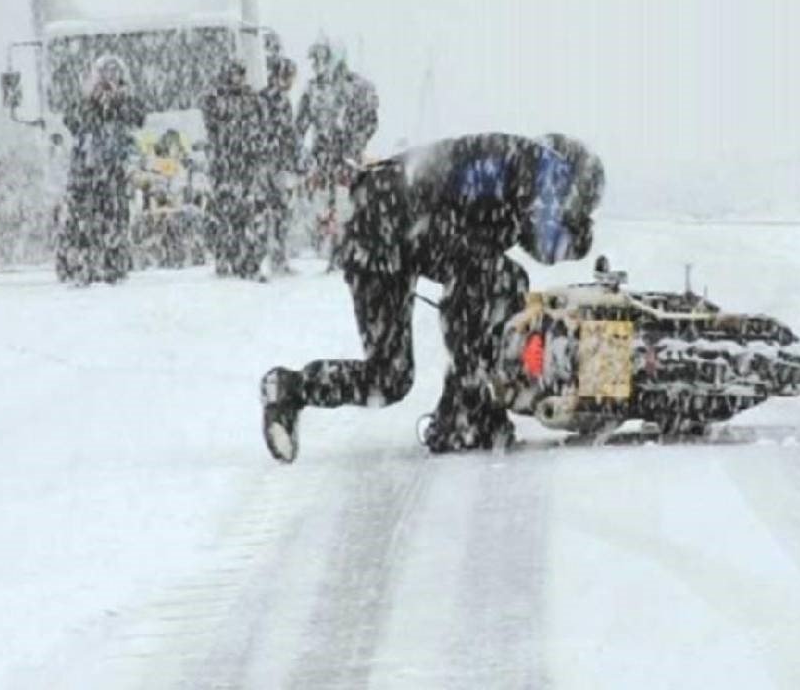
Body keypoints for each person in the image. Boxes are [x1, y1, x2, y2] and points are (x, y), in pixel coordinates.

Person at [258, 133, 605, 461]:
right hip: (397, 225)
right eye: (576, 205)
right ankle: (466, 410)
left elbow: (526, 235)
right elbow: (547, 244)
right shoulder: (542, 162)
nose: (568, 210)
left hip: (377, 232)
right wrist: (581, 237)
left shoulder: (510, 166)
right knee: (495, 280)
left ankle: (290, 388)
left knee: (388, 378)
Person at [294, 38, 380, 267]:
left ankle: (346, 248)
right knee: (322, 205)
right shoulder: (312, 89)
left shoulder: (358, 86)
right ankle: (331, 246)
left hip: (347, 156)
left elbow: (371, 120)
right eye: (314, 59)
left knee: (346, 203)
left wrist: (355, 145)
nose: (316, 64)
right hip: (322, 156)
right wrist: (301, 152)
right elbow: (299, 124)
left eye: (321, 58)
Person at [60, 54, 146, 284]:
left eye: (114, 76)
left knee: (116, 218)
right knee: (80, 220)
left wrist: (120, 102)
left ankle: (113, 263)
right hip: (85, 175)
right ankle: (80, 262)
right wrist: (92, 101)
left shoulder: (127, 105)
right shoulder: (84, 105)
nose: (110, 81)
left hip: (114, 175)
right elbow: (71, 121)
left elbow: (139, 118)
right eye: (105, 76)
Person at [201, 60, 267, 279]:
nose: (238, 78)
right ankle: (225, 256)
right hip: (225, 164)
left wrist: (254, 148)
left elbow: (260, 126)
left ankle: (248, 260)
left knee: (247, 213)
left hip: (244, 164)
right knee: (224, 213)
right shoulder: (216, 97)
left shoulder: (250, 98)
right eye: (234, 74)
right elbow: (212, 125)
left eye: (241, 74)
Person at [256, 55, 300, 274]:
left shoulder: (276, 100)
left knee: (277, 210)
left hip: (274, 162)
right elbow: (283, 133)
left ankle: (276, 254)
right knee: (276, 209)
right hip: (273, 163)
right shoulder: (271, 101)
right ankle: (273, 255)